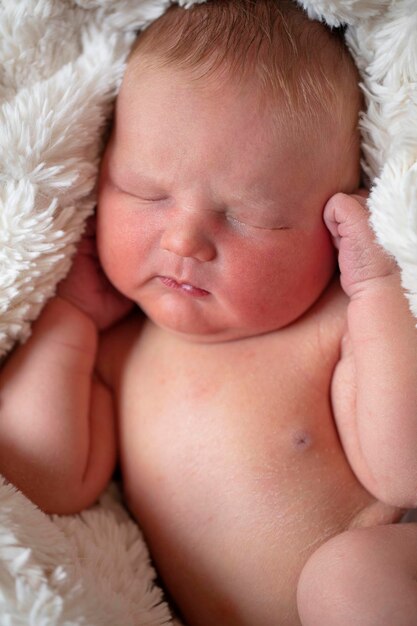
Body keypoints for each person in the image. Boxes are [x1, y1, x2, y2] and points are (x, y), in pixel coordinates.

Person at [1, 1, 417, 624]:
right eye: (147, 193)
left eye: (254, 217)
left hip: (375, 582)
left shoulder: (334, 326)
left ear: (332, 228)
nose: (183, 241)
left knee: (349, 577)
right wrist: (71, 318)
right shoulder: (120, 353)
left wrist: (377, 288)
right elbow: (39, 476)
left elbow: (405, 473)